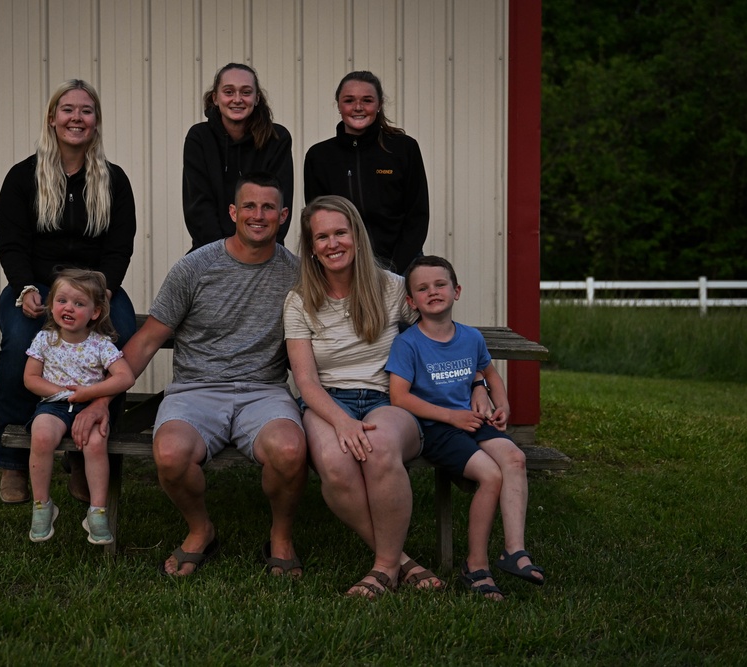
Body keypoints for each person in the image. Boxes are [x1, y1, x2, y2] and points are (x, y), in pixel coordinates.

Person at [80, 172, 307, 577]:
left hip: (264, 392)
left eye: (269, 207)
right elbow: (148, 340)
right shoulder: (195, 267)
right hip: (196, 390)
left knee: (290, 452)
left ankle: (281, 535)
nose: (259, 215)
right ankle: (201, 529)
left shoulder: (298, 274)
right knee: (168, 454)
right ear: (233, 212)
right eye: (249, 206)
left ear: (284, 215)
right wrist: (101, 399)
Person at [284, 195, 450, 598]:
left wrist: (478, 384)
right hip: (326, 402)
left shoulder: (393, 290)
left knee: (377, 449)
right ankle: (403, 561)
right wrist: (342, 421)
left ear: (356, 236)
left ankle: (382, 569)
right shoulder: (299, 300)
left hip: (387, 399)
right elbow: (305, 381)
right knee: (336, 465)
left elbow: (442, 340)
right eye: (321, 237)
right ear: (310, 248)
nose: (332, 243)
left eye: (340, 232)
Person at [0, 79, 137, 505]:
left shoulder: (114, 180)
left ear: (96, 122)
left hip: (96, 288)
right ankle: (14, 461)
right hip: (37, 284)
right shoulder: (24, 177)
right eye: (68, 109)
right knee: (20, 343)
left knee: (122, 337)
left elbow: (119, 246)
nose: (77, 118)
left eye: (86, 111)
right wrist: (24, 288)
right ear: (53, 118)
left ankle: (85, 451)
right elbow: (13, 242)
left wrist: (105, 293)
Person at [387, 255, 546, 601]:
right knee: (490, 474)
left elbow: (488, 373)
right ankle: (476, 565)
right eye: (423, 288)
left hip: (472, 422)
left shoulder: (471, 338)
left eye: (440, 284)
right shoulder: (409, 343)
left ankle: (514, 551)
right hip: (437, 430)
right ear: (411, 301)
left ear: (456, 291)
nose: (433, 292)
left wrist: (501, 406)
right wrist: (450, 417)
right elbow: (399, 398)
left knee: (514, 458)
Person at [23, 270, 135, 544]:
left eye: (79, 303)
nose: (68, 308)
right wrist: (64, 394)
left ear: (95, 312)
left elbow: (125, 377)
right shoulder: (46, 339)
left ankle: (97, 511)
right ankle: (42, 506)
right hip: (54, 406)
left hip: (89, 409)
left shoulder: (101, 345)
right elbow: (30, 379)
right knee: (42, 435)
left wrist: (89, 393)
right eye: (62, 300)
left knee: (96, 443)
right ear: (51, 305)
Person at [303, 71, 429, 274]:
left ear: (379, 105)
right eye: (349, 100)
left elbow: (417, 216)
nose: (358, 107)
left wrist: (394, 270)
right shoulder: (319, 156)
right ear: (339, 105)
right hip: (345, 270)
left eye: (367, 100)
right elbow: (317, 220)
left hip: (401, 267)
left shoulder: (403, 149)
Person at [182, 63, 294, 250]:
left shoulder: (277, 138)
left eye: (246, 92)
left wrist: (255, 251)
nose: (237, 99)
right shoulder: (199, 138)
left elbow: (279, 202)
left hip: (264, 249)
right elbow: (198, 206)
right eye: (229, 92)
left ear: (257, 98)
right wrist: (226, 254)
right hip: (211, 250)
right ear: (215, 98)